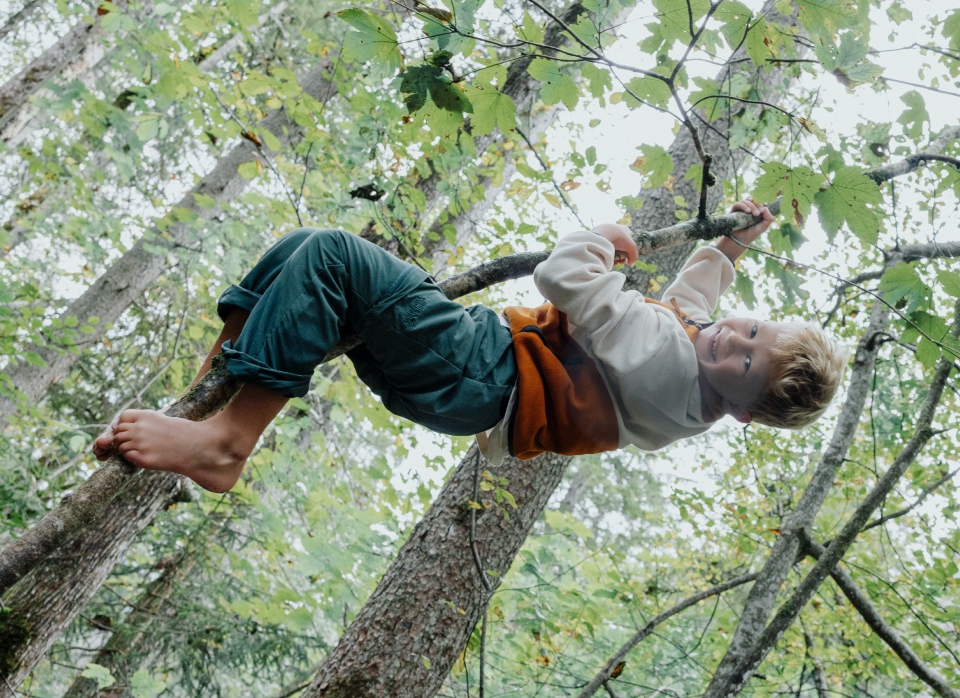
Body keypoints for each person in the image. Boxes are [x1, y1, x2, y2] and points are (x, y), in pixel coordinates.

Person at [93, 199, 846, 492]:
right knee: (302, 248)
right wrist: (731, 250)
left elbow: (564, 277)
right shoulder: (690, 393)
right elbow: (691, 313)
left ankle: (227, 439)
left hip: (479, 367)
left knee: (329, 255)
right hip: (465, 390)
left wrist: (603, 244)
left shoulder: (656, 351)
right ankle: (217, 386)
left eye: (745, 359)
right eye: (751, 327)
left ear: (741, 410)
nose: (732, 340)